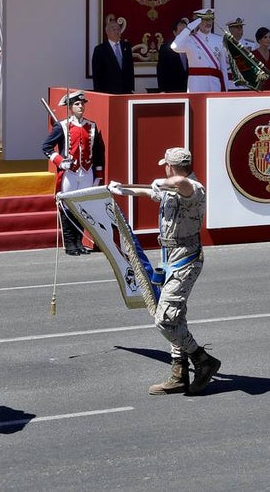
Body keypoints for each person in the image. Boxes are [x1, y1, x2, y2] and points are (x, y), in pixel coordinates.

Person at [108, 147, 220, 396]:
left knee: (165, 319)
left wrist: (164, 181)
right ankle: (179, 373)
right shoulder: (172, 188)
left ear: (171, 167)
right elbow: (151, 192)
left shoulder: (193, 188)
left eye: (165, 166)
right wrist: (124, 190)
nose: (164, 170)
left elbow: (181, 182)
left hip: (186, 259)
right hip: (169, 258)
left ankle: (202, 360)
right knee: (176, 317)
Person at [42, 91, 103, 256]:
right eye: (77, 104)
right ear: (70, 107)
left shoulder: (92, 126)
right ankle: (70, 244)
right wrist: (61, 161)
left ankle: (79, 242)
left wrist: (98, 175)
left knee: (82, 207)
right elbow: (46, 147)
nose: (81, 106)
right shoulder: (62, 126)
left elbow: (98, 152)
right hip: (70, 173)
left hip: (87, 172)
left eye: (82, 104)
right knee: (67, 207)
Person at [171, 8, 231, 92]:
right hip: (197, 84)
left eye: (210, 19)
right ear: (198, 22)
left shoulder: (219, 39)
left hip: (215, 83)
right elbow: (174, 47)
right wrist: (189, 28)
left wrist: (226, 90)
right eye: (205, 19)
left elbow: (223, 68)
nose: (209, 22)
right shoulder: (189, 39)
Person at [91, 16, 135, 94]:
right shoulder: (100, 49)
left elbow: (130, 68)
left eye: (118, 29)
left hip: (125, 90)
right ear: (107, 32)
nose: (117, 31)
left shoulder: (126, 46)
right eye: (114, 29)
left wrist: (131, 87)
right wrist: (99, 93)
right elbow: (97, 74)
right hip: (108, 91)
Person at [157, 17, 190, 93]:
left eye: (186, 32)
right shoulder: (166, 48)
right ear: (175, 33)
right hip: (172, 89)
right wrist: (162, 90)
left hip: (190, 88)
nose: (184, 34)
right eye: (181, 31)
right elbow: (161, 70)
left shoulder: (193, 46)